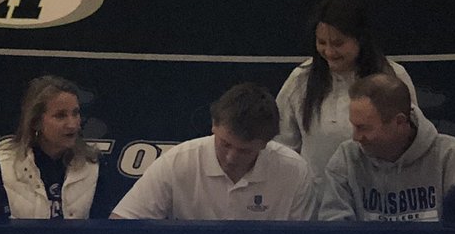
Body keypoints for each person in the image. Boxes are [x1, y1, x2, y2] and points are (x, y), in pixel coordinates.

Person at [111, 82, 316, 221]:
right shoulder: (177, 162)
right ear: (213, 126)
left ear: (265, 144)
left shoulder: (294, 172)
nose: (231, 157)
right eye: (225, 144)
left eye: (244, 151)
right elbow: (121, 224)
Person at [275, 0, 418, 182]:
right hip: (317, 202)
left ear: (360, 39)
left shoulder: (393, 77)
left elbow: (413, 141)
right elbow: (282, 148)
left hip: (379, 199)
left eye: (338, 43)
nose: (328, 51)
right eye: (322, 42)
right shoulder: (300, 79)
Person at [319, 74, 455, 222]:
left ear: (399, 121)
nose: (355, 137)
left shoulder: (450, 155)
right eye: (353, 126)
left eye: (364, 128)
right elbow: (335, 232)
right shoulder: (346, 157)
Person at [0, 75, 110, 219]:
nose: (72, 124)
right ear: (36, 122)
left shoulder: (93, 164)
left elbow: (102, 230)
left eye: (75, 113)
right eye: (60, 116)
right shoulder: (4, 162)